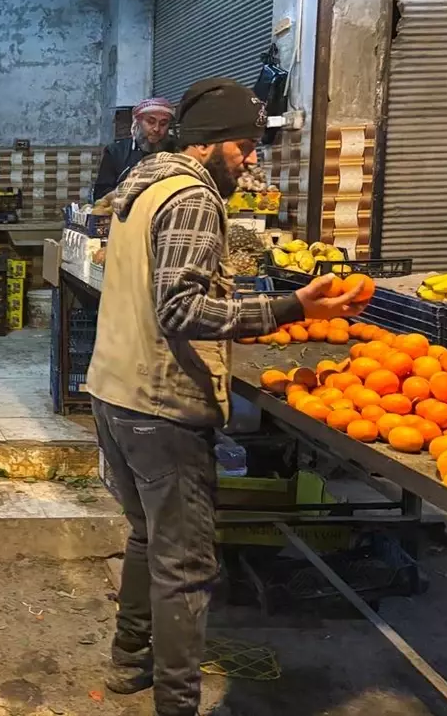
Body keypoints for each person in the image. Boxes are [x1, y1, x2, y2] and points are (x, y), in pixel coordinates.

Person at [86, 77, 367, 716]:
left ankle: (131, 662)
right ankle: (177, 705)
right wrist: (291, 304)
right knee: (185, 564)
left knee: (145, 536)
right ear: (212, 143)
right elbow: (182, 308)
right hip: (160, 401)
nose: (251, 160)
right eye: (243, 146)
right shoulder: (192, 199)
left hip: (115, 388)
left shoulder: (145, 184)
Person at [94, 97, 174, 201]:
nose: (156, 129)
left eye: (163, 124)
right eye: (151, 122)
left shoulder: (175, 152)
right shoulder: (116, 151)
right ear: (138, 122)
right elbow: (101, 195)